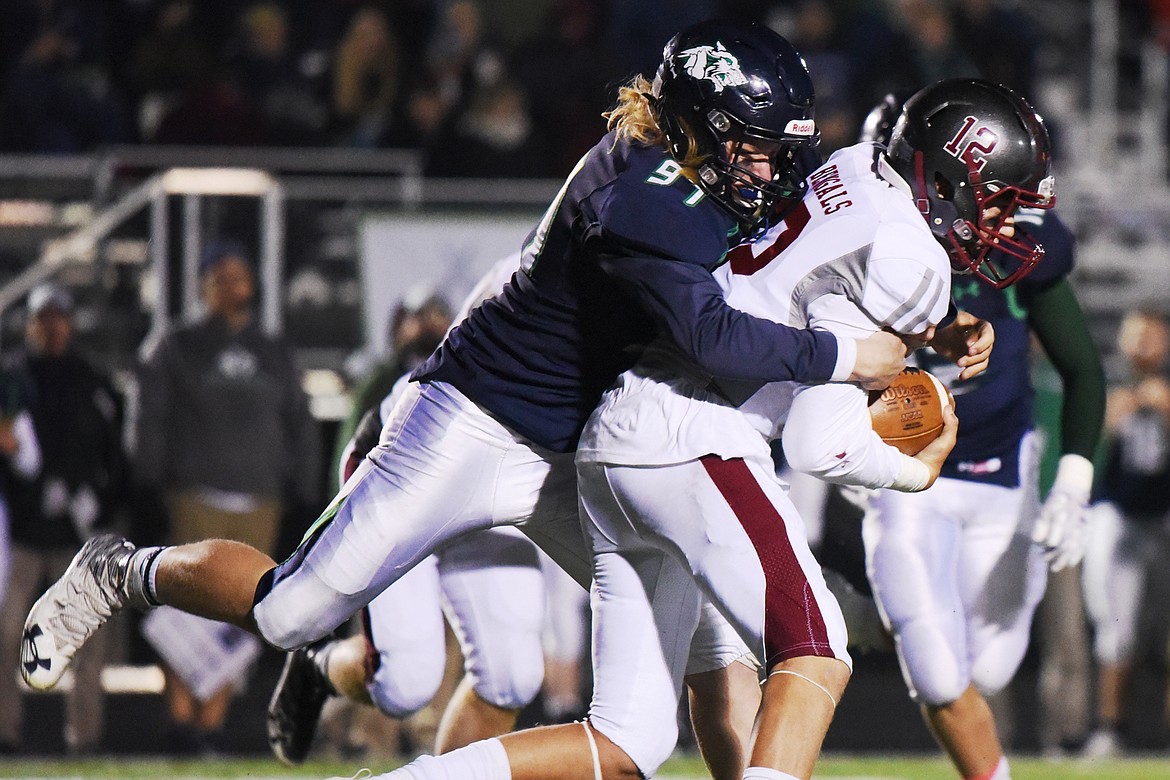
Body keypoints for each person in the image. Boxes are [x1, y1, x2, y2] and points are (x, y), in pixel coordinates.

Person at [20, 19, 915, 775]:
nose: (769, 173)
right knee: (292, 609)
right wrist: (848, 357)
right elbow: (715, 336)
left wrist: (937, 333)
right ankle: (117, 570)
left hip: (586, 448)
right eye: (753, 150)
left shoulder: (699, 171)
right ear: (696, 127)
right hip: (474, 421)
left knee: (711, 643)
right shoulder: (641, 192)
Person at [374, 75, 1047, 780]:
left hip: (622, 431)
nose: (1005, 226)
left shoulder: (853, 168)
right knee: (817, 651)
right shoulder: (914, 261)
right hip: (697, 438)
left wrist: (925, 331)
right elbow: (821, 443)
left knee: (629, 739)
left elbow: (813, 276)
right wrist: (913, 470)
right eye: (1000, 201)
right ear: (948, 178)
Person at [857, 85, 1105, 779]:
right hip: (909, 475)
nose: (1011, 213)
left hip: (1001, 467)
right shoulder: (866, 243)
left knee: (987, 664)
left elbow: (1084, 370)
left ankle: (864, 619)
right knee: (939, 672)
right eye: (997, 193)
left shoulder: (1015, 245)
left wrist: (1074, 486)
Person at [270, 259, 549, 765]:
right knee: (404, 682)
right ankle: (321, 664)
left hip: (502, 482)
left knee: (512, 677)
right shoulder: (543, 277)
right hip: (422, 468)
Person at [130, 239, 320, 753]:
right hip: (195, 495)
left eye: (241, 273)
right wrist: (148, 482)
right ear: (203, 284)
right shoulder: (177, 345)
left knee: (245, 615)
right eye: (223, 274)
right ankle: (179, 720)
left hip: (260, 499)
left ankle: (209, 725)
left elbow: (300, 424)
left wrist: (305, 490)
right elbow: (150, 419)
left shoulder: (274, 350)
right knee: (180, 612)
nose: (234, 284)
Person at [0, 283, 124, 755]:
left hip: (79, 535)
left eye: (59, 318)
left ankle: (85, 737)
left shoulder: (92, 382)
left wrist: (97, 501)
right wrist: (29, 486)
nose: (51, 328)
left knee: (87, 637)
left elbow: (114, 453)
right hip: (24, 533)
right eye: (42, 319)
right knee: (8, 633)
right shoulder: (12, 379)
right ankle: (6, 733)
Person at [1081, 308, 1170, 757]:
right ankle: (1110, 728)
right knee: (1116, 627)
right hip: (1115, 511)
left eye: (1152, 337)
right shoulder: (1102, 378)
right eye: (1137, 336)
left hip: (1165, 514)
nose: (1144, 346)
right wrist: (1108, 420)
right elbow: (1076, 443)